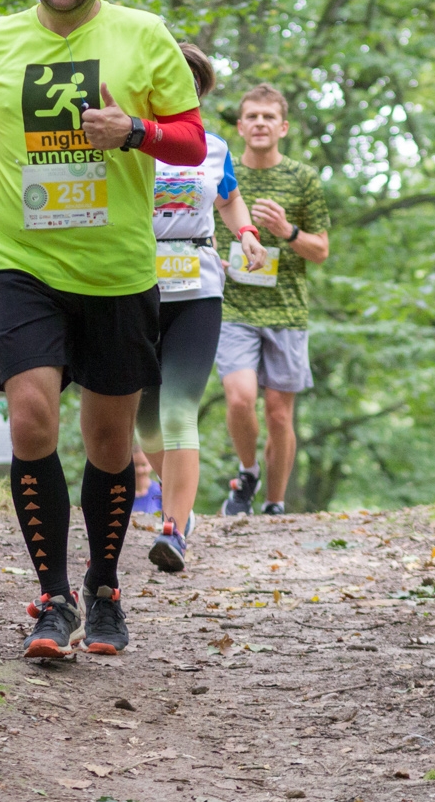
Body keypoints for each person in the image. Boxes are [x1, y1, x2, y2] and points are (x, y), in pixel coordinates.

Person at [0, 0, 205, 657]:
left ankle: (104, 586)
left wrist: (135, 131)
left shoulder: (143, 35)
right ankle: (52, 597)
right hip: (24, 261)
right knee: (30, 418)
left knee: (110, 439)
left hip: (115, 267)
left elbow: (192, 138)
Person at [136, 43, 267, 572]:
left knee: (176, 411)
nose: (178, 89)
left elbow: (228, 196)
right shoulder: (127, 141)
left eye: (189, 82)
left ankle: (173, 528)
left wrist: (248, 233)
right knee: (145, 426)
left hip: (197, 291)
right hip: (133, 288)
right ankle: (182, 506)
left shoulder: (213, 147)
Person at [215, 85, 330, 516]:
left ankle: (275, 504)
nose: (260, 123)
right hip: (233, 307)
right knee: (240, 397)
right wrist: (213, 259)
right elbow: (202, 229)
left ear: (282, 127)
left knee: (280, 416)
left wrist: (287, 231)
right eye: (252, 117)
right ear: (240, 126)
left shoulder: (303, 178)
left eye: (268, 117)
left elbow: (321, 250)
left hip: (287, 310)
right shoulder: (222, 172)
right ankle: (248, 473)